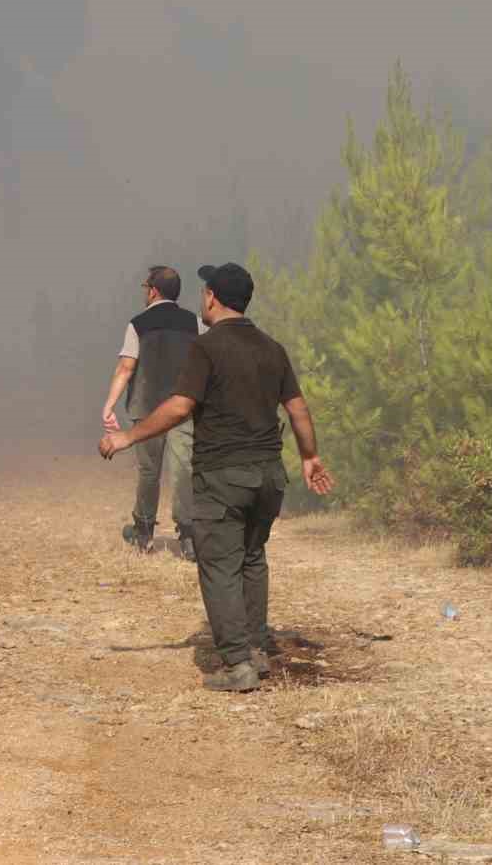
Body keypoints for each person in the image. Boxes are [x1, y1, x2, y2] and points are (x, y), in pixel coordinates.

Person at [98, 262, 334, 692]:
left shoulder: (206, 349)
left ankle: (238, 664)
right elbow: (298, 408)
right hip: (268, 477)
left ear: (212, 298)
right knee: (252, 558)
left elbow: (180, 407)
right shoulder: (272, 348)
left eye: (204, 292)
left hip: (225, 477)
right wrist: (310, 456)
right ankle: (258, 649)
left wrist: (128, 436)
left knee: (219, 566)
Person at [101, 265, 200, 558]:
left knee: (149, 472)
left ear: (154, 290)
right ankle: (189, 535)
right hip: (183, 409)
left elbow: (126, 367)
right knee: (184, 469)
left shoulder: (138, 324)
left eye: (146, 287)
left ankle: (143, 532)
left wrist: (109, 404)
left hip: (146, 410)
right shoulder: (195, 323)